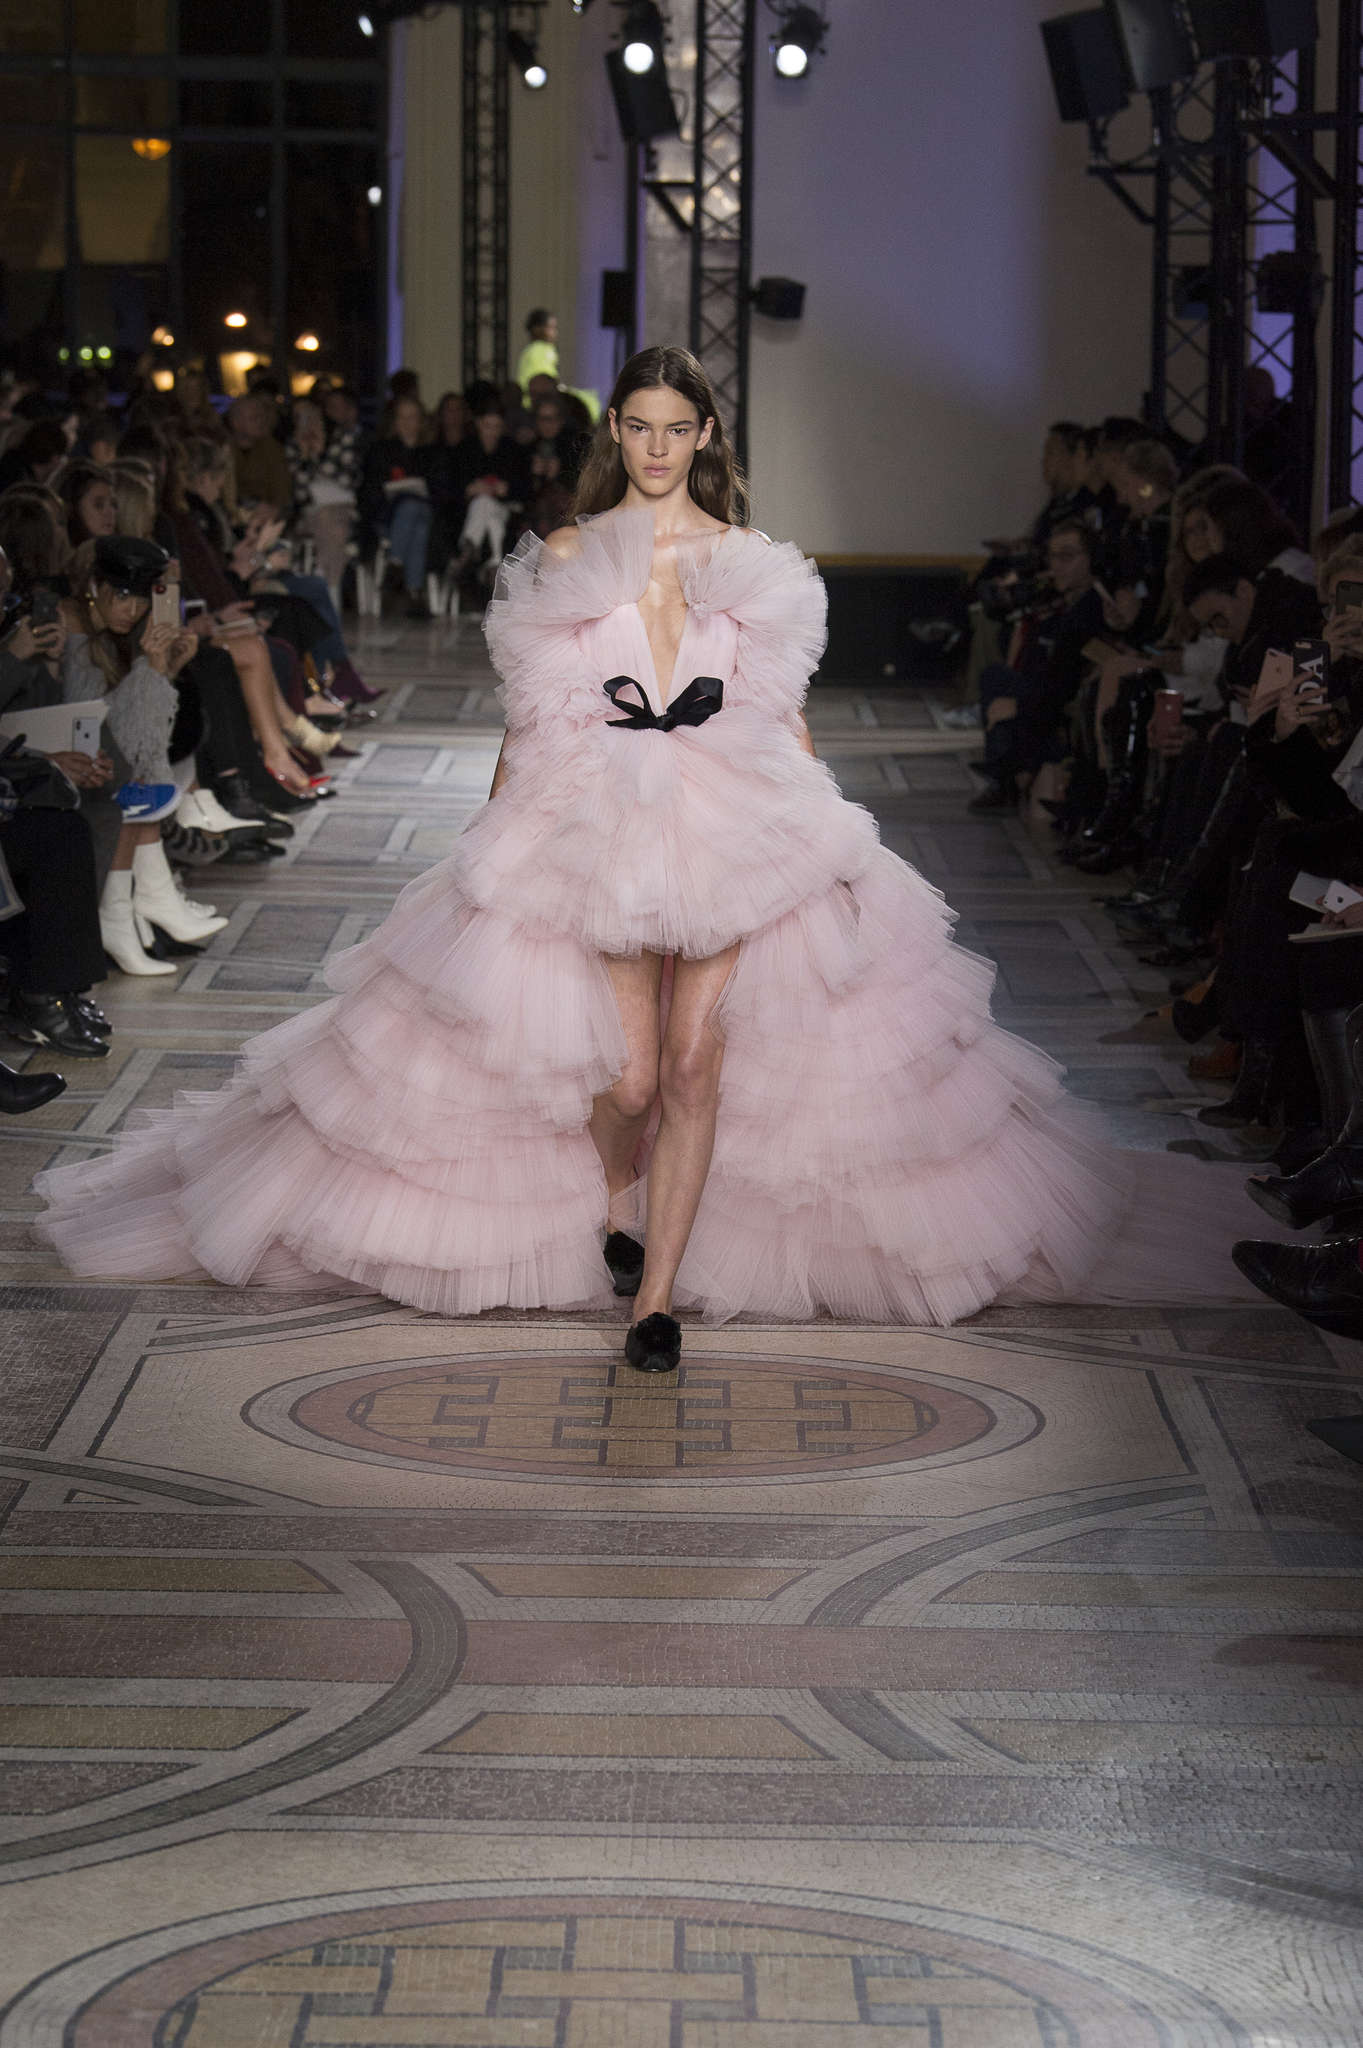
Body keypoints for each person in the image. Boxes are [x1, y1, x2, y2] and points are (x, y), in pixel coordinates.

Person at [33, 345, 1271, 1371]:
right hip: (605, 822)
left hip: (734, 822)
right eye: (639, 426)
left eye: (678, 427)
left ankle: (657, 1297)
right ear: (616, 431)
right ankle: (618, 1205)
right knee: (626, 1078)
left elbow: (780, 716)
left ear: (705, 433)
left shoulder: (752, 562)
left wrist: (831, 834)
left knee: (690, 1063)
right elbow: (534, 715)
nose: (658, 446)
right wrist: (492, 835)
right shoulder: (572, 554)